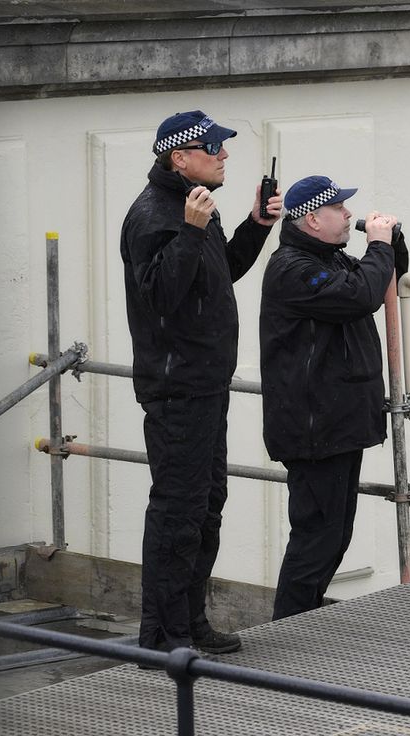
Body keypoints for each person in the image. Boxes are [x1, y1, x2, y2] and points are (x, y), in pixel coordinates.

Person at [121, 110, 281, 656]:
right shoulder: (154, 215)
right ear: (180, 157)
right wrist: (191, 231)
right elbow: (162, 296)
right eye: (214, 147)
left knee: (206, 503)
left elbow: (219, 271)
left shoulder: (193, 206)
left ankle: (190, 622)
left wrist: (257, 224)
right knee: (178, 509)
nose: (224, 154)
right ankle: (165, 636)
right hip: (177, 387)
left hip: (204, 382)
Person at [261, 176, 409, 620]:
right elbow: (361, 295)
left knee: (334, 535)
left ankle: (300, 623)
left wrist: (391, 241)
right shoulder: (294, 268)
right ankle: (287, 629)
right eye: (339, 208)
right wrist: (378, 245)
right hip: (314, 426)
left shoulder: (327, 258)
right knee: (316, 538)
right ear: (312, 219)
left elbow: (386, 276)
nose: (348, 215)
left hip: (334, 422)